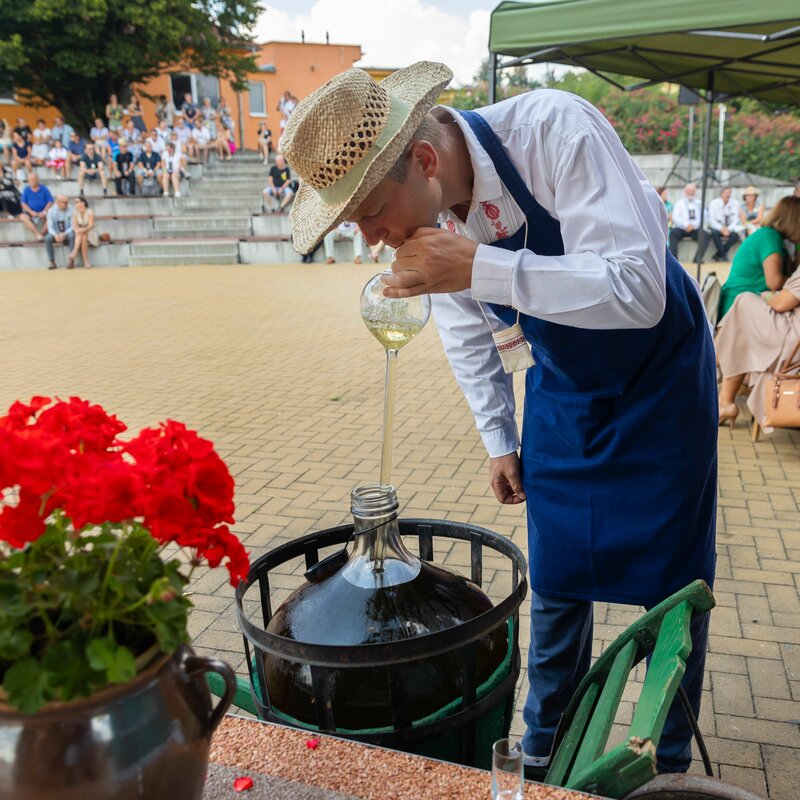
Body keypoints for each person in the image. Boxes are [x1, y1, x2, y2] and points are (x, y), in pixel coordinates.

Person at [281, 63, 717, 777]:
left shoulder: (553, 132)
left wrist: (482, 267)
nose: (368, 237)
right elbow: (466, 330)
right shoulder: (426, 217)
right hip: (567, 384)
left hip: (659, 379)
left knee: (670, 587)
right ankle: (543, 753)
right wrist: (498, 437)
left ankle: (665, 764)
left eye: (367, 213)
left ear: (423, 161)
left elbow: (639, 291)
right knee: (557, 571)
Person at [715, 262, 800, 428]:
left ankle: (712, 371)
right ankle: (720, 394)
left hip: (793, 342)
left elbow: (780, 303)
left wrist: (767, 295)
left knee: (743, 302)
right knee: (741, 319)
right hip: (793, 338)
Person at [718, 197, 800, 318]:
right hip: (737, 307)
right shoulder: (769, 236)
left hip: (748, 303)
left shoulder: (774, 237)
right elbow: (774, 282)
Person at [668, 183, 707, 261]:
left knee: (705, 235)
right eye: (689, 191)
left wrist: (693, 225)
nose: (691, 192)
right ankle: (674, 258)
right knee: (673, 233)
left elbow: (704, 216)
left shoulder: (699, 203)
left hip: (695, 228)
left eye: (693, 191)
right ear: (685, 191)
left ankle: (698, 258)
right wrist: (686, 225)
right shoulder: (679, 203)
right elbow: (675, 217)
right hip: (682, 228)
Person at [707, 186, 742, 262]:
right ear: (721, 194)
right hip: (717, 228)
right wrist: (721, 228)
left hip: (730, 228)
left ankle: (718, 255)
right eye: (726, 193)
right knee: (714, 233)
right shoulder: (713, 203)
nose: (728, 194)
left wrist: (728, 229)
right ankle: (724, 256)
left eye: (729, 192)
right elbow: (711, 219)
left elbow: (736, 219)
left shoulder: (735, 203)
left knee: (735, 236)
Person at [20, 172, 54, 239]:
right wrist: (31, 212)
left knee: (51, 217)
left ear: (37, 180)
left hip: (43, 211)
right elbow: (23, 203)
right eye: (30, 179)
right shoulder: (26, 189)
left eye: (33, 179)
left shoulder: (44, 189)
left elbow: (50, 201)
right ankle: (37, 234)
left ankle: (42, 234)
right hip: (32, 212)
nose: (32, 181)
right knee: (22, 217)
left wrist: (44, 212)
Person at [44, 194, 74, 269]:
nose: (66, 204)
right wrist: (55, 235)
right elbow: (50, 227)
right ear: (58, 202)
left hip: (67, 232)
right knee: (47, 238)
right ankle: (52, 261)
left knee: (72, 235)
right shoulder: (51, 211)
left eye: (67, 202)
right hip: (55, 233)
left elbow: (73, 225)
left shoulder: (71, 209)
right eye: (64, 202)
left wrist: (64, 234)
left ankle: (71, 259)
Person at [68, 195, 95, 268]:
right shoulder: (75, 213)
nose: (76, 204)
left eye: (77, 202)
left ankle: (74, 252)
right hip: (81, 233)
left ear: (83, 203)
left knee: (82, 234)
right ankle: (86, 261)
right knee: (82, 236)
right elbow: (74, 225)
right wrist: (77, 230)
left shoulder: (90, 211)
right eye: (75, 202)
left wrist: (83, 229)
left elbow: (91, 225)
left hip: (90, 232)